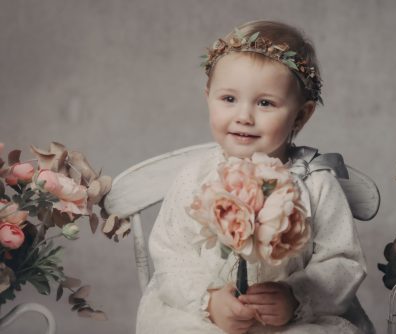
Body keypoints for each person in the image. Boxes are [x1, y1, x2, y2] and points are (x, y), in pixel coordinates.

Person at [136, 20, 373, 334]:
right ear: (208, 96)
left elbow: (343, 261)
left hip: (290, 321)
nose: (244, 116)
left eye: (265, 103)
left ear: (301, 115)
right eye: (229, 99)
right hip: (208, 317)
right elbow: (170, 252)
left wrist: (295, 297)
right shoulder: (196, 176)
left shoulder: (315, 182)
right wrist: (208, 300)